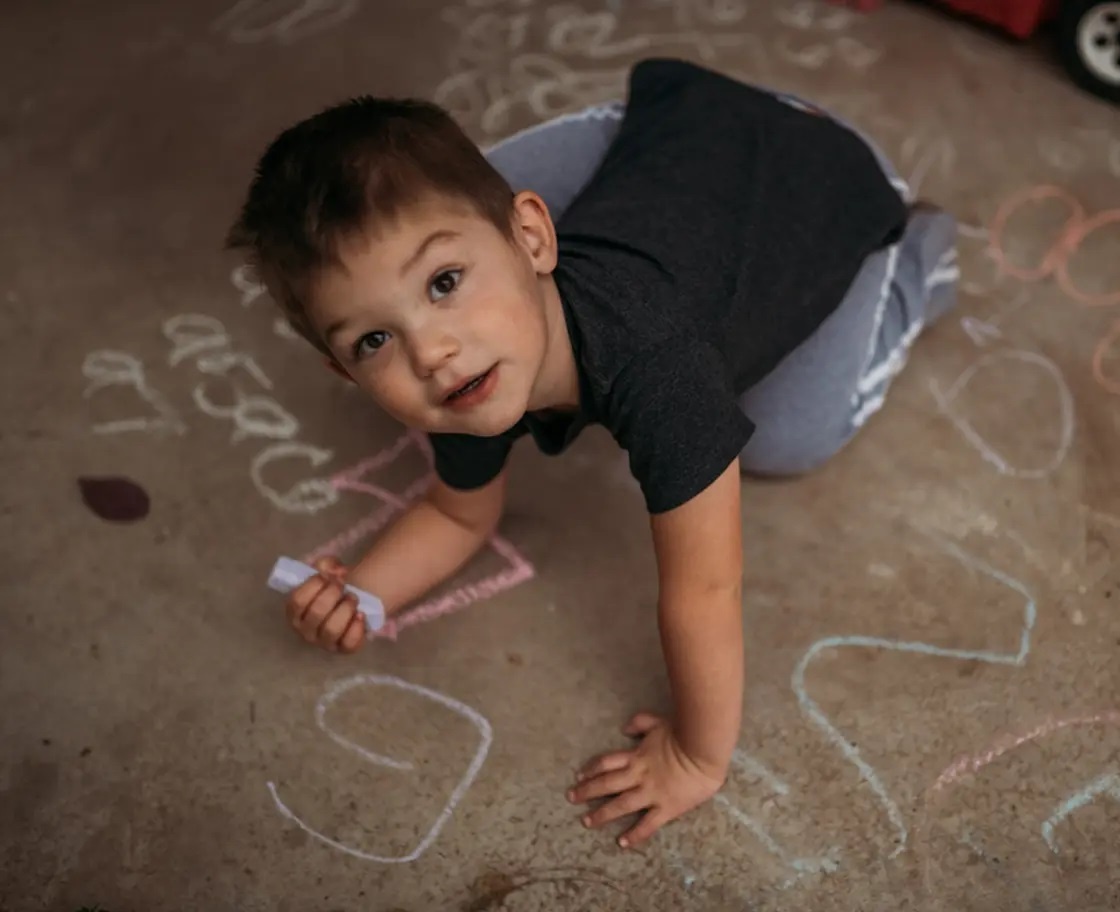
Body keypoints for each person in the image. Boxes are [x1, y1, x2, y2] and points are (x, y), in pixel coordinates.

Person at [226, 56, 957, 851]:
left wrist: (695, 755)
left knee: (788, 438)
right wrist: (364, 591)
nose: (431, 349)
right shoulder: (457, 373)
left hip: (817, 176)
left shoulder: (661, 369)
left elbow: (705, 589)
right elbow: (456, 512)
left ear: (537, 237)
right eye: (373, 339)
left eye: (443, 284)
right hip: (687, 169)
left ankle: (917, 257)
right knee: (409, 221)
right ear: (343, 370)